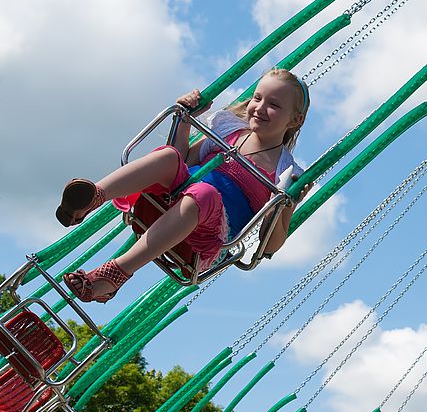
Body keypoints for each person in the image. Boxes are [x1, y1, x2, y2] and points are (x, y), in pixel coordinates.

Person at [56, 68, 311, 303]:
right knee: (169, 157)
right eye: (257, 98)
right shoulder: (229, 130)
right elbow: (183, 160)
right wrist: (186, 120)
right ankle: (92, 198)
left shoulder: (285, 172)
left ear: (295, 120)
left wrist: (288, 202)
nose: (259, 108)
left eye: (274, 105)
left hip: (206, 242)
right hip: (169, 204)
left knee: (204, 193)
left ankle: (115, 273)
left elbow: (270, 246)